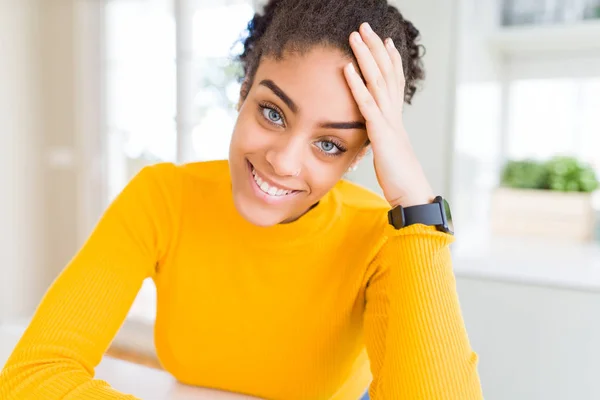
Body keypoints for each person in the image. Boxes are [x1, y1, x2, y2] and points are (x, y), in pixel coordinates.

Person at [0, 0, 483, 399]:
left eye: (330, 144)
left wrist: (416, 204)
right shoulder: (163, 198)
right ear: (243, 92)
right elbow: (35, 374)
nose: (285, 162)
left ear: (360, 155)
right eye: (272, 113)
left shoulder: (382, 235)